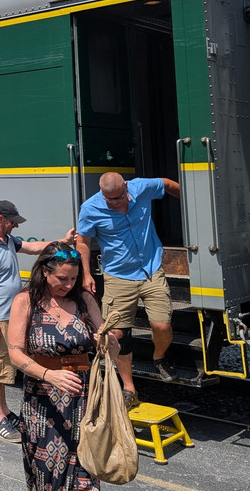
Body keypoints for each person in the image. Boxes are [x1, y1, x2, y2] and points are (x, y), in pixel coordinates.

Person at [7, 241, 117, 491]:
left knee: (86, 469)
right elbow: (15, 353)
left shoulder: (85, 299)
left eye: (73, 278)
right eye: (62, 278)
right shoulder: (26, 301)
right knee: (48, 474)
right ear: (45, 271)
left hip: (84, 399)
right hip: (43, 402)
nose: (68, 285)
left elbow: (104, 339)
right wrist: (49, 375)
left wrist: (108, 342)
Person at [0, 200, 76, 442]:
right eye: (12, 222)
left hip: (13, 315)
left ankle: (8, 414)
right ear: (0, 219)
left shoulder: (7, 240)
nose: (15, 227)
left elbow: (32, 247)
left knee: (11, 364)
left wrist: (62, 242)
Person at [76, 172, 180, 410]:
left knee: (162, 325)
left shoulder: (141, 187)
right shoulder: (90, 208)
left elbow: (165, 183)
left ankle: (159, 358)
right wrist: (87, 274)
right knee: (117, 336)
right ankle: (129, 388)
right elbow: (83, 241)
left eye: (119, 197)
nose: (115, 202)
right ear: (102, 194)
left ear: (126, 187)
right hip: (118, 275)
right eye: (109, 199)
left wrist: (188, 198)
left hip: (151, 269)